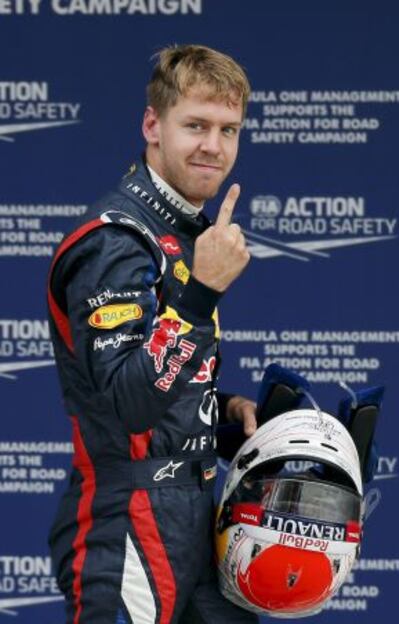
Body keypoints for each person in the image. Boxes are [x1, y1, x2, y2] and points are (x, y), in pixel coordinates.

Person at [47, 44, 259, 624]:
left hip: (194, 518)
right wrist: (201, 296)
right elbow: (130, 402)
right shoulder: (115, 240)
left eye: (228, 129)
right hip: (127, 524)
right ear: (152, 125)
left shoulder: (181, 230)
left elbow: (167, 388)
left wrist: (228, 414)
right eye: (195, 125)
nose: (213, 146)